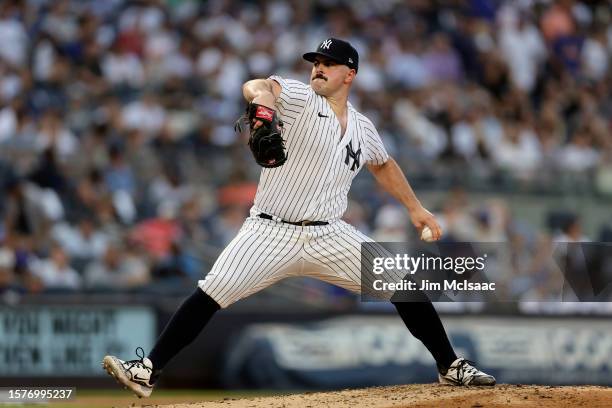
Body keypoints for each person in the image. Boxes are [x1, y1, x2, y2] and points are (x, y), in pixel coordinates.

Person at [102, 38, 495, 398]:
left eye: (330, 63)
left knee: (404, 285)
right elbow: (259, 86)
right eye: (316, 62)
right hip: (270, 231)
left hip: (330, 235)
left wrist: (415, 207)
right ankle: (146, 371)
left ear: (350, 74)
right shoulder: (299, 98)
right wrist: (262, 108)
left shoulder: (362, 127)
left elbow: (383, 165)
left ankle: (450, 366)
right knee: (211, 292)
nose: (319, 68)